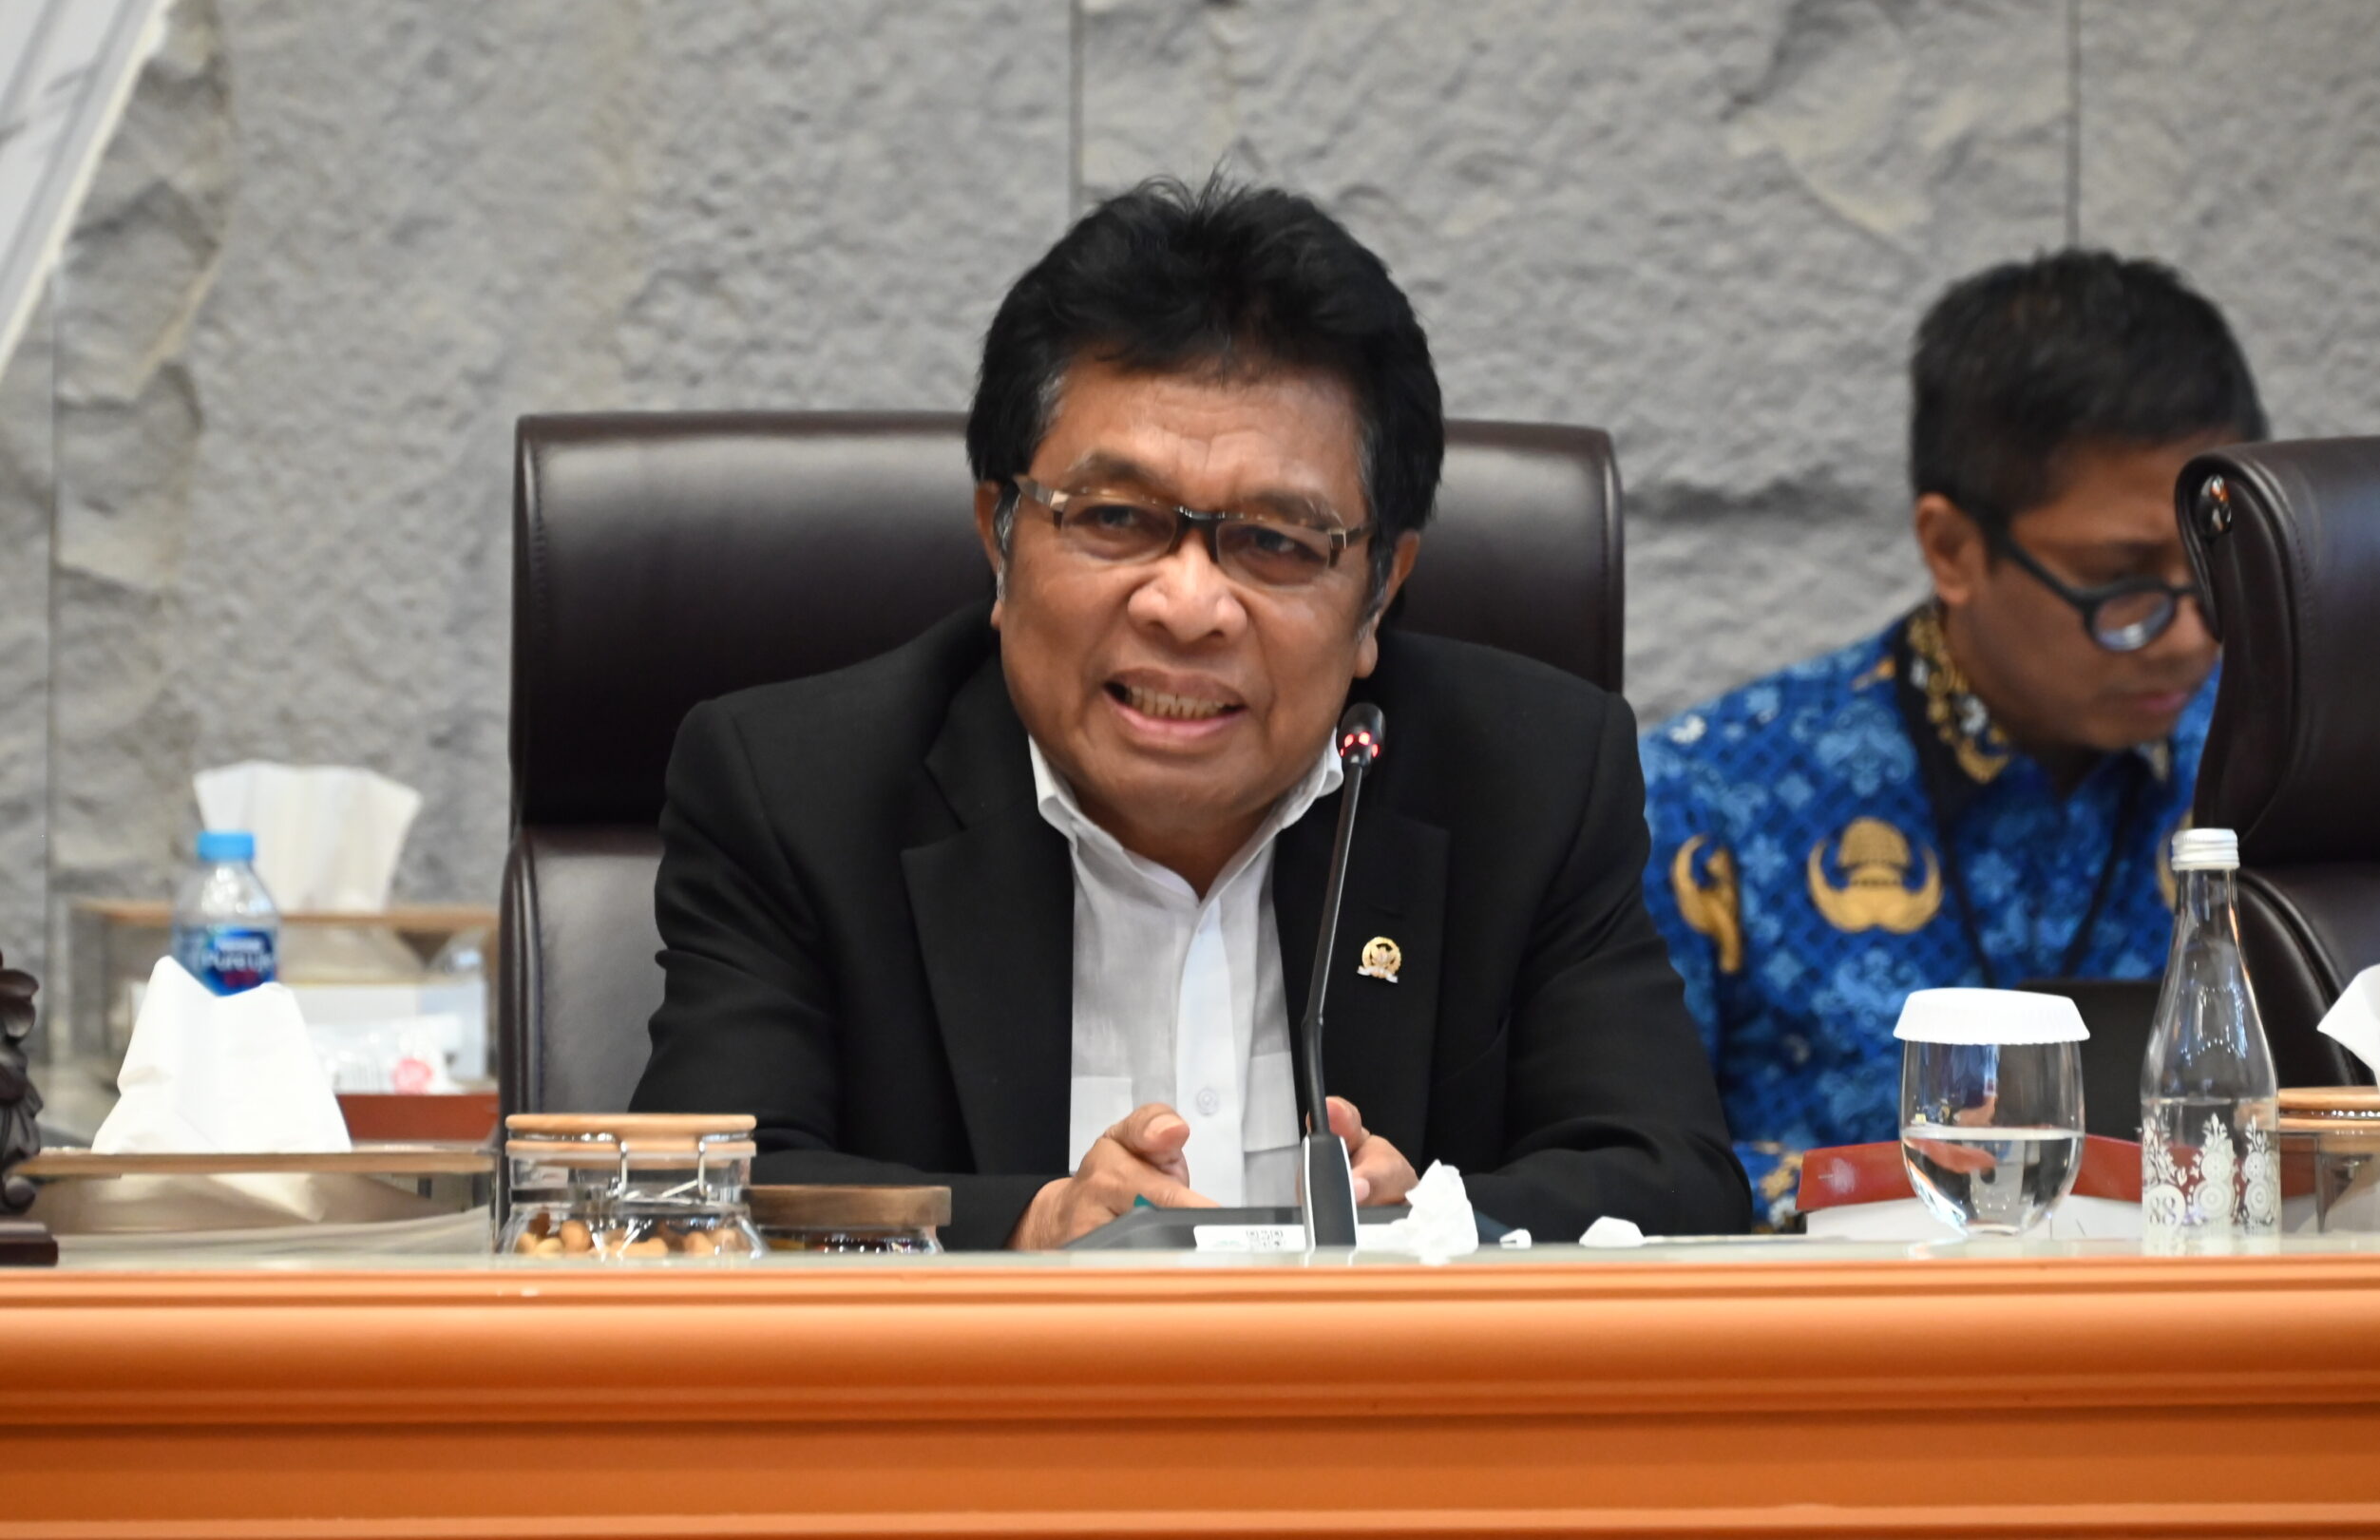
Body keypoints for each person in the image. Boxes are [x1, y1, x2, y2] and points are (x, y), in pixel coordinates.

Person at [631, 178, 1748, 1248]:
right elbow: (705, 1188)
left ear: (1379, 593)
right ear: (1000, 537)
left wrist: (1444, 1228)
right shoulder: (794, 790)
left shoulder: (1533, 779)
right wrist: (1028, 1230)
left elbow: (1672, 1180)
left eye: (1275, 541)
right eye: (1115, 517)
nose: (1189, 603)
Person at [1639, 251, 2268, 1228]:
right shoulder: (1705, 799)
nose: (2187, 637)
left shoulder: (2274, 763)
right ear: (1952, 549)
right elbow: (1637, 1176)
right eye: (2121, 580)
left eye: (2216, 572)